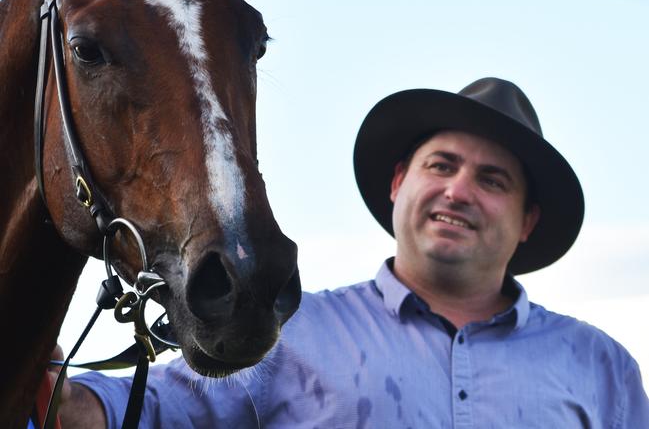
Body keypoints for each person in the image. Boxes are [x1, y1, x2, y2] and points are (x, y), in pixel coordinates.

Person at [59, 77, 649, 428]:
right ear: (398, 184)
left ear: (529, 222)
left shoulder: (604, 369)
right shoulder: (286, 334)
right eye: (441, 166)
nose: (459, 190)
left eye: (493, 181)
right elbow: (146, 410)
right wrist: (51, 386)